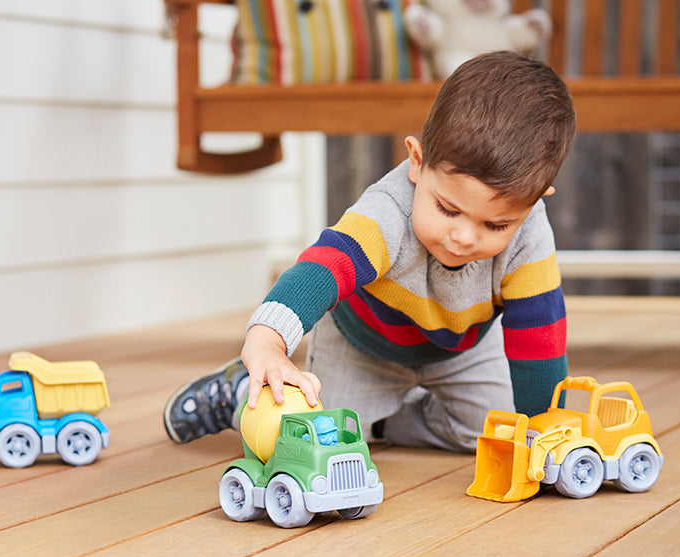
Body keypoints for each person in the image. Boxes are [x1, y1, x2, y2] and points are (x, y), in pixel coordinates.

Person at [164, 51, 576, 453]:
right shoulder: (387, 212)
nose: (465, 237)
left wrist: (545, 434)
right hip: (362, 347)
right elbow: (320, 271)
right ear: (417, 162)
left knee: (501, 435)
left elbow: (540, 337)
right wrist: (267, 342)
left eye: (495, 225)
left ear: (535, 200)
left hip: (462, 351)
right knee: (311, 441)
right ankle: (237, 392)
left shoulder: (530, 234)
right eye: (448, 209)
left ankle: (385, 422)